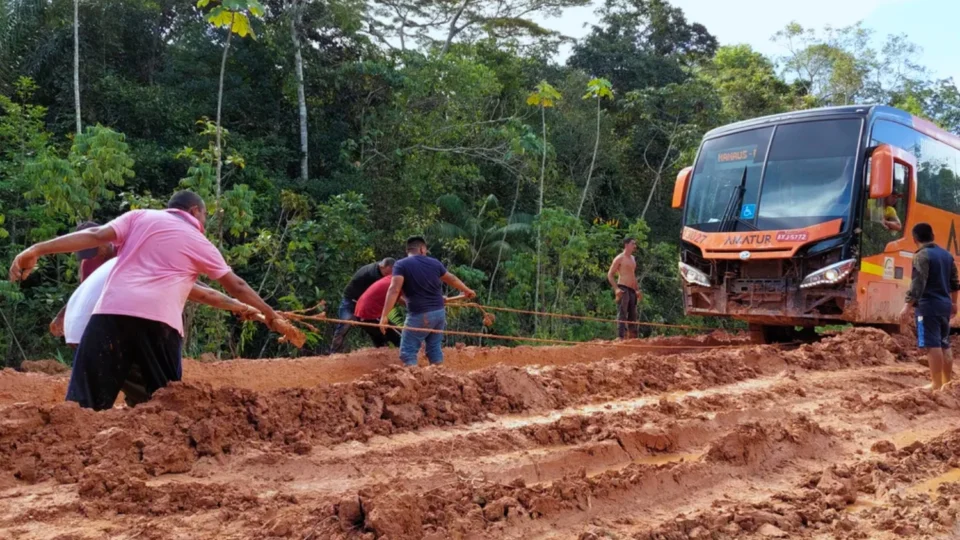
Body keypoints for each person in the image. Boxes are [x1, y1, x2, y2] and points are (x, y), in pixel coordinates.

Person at [9, 190, 290, 410]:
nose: (205, 223)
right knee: (167, 401)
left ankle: (69, 460)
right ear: (194, 212)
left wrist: (36, 249)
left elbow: (94, 235)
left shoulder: (138, 217)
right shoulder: (199, 242)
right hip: (158, 324)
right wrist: (269, 314)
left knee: (84, 404)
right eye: (205, 216)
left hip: (108, 316)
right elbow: (236, 285)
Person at [62, 257, 260, 348]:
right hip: (100, 334)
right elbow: (204, 295)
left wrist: (238, 305)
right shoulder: (156, 265)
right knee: (158, 390)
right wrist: (241, 305)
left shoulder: (132, 259)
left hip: (76, 333)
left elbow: (202, 289)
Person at [378, 236, 475, 366]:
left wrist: (384, 315)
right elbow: (451, 278)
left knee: (408, 352)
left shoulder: (401, 265)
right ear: (422, 249)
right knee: (434, 348)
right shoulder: (435, 263)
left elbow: (394, 290)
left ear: (408, 251)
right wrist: (467, 290)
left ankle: (412, 383)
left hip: (420, 315)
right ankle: (440, 378)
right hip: (439, 314)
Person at [900, 222, 960, 390]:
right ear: (932, 236)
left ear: (915, 239)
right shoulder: (947, 255)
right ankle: (947, 383)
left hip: (928, 307)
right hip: (944, 305)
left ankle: (936, 383)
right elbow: (955, 283)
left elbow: (918, 283)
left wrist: (907, 306)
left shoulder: (921, 256)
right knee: (944, 343)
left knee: (932, 344)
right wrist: (954, 303)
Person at [49, 221, 117, 338]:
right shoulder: (88, 264)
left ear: (104, 241)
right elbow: (84, 293)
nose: (93, 257)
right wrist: (62, 315)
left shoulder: (125, 251)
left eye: (93, 251)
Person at [330, 258, 396, 353]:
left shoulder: (379, 270)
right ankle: (333, 353)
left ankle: (381, 350)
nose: (388, 277)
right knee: (345, 324)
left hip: (364, 304)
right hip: (351, 301)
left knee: (375, 326)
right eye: (387, 274)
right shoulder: (373, 275)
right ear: (382, 266)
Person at [353, 275, 402, 348]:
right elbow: (395, 292)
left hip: (363, 312)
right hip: (369, 313)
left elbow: (396, 295)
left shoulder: (393, 278)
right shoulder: (399, 283)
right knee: (400, 338)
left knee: (380, 341)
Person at [607, 237, 642, 340]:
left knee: (633, 314)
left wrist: (637, 290)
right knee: (622, 312)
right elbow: (610, 274)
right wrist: (616, 289)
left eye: (635, 244)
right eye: (632, 244)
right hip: (623, 287)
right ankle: (620, 336)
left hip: (632, 289)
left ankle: (632, 338)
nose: (634, 246)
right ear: (626, 245)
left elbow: (633, 275)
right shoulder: (619, 258)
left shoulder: (633, 259)